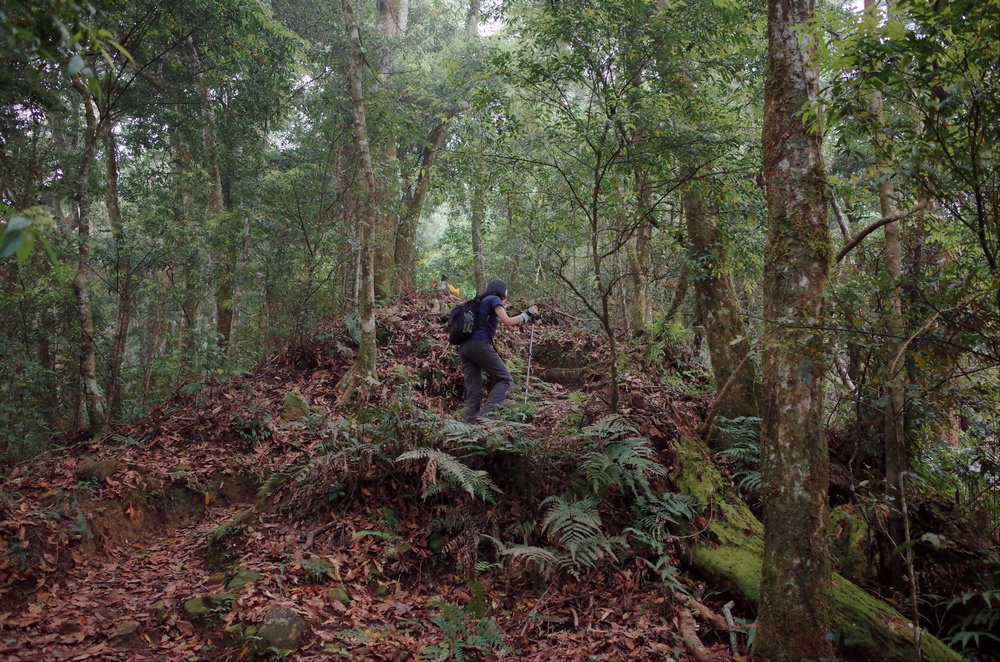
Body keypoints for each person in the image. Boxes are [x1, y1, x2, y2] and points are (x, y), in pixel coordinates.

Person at [458, 278, 539, 422]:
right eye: (506, 289)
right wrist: (528, 314)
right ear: (502, 290)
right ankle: (484, 420)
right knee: (505, 379)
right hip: (479, 344)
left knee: (474, 389)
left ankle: (468, 428)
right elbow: (508, 321)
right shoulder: (494, 299)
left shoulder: (480, 302)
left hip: (465, 347)